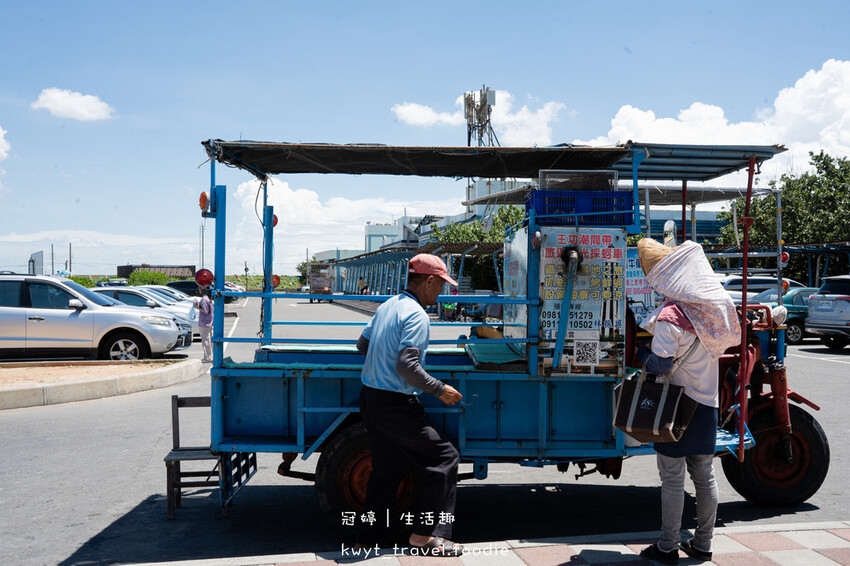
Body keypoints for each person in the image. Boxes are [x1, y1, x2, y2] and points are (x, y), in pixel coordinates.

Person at [636, 238, 740, 566]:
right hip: (707, 404)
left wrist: (642, 357)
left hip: (675, 405)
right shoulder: (711, 313)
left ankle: (668, 546)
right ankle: (704, 545)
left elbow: (663, 364)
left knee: (671, 477)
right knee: (705, 475)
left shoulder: (671, 315)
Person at [355, 254, 464, 556]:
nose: (441, 293)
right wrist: (440, 389)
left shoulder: (388, 305)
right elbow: (407, 365)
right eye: (441, 285)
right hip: (395, 403)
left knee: (386, 469)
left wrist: (382, 362)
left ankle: (367, 538)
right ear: (429, 281)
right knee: (445, 457)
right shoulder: (417, 315)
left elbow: (362, 345)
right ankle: (424, 536)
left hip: (371, 398)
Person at [196, 286, 213, 363]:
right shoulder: (209, 299)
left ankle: (207, 358)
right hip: (210, 322)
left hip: (204, 323)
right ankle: (212, 356)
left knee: (205, 341)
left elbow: (205, 311)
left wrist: (196, 307)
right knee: (210, 341)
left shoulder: (204, 299)